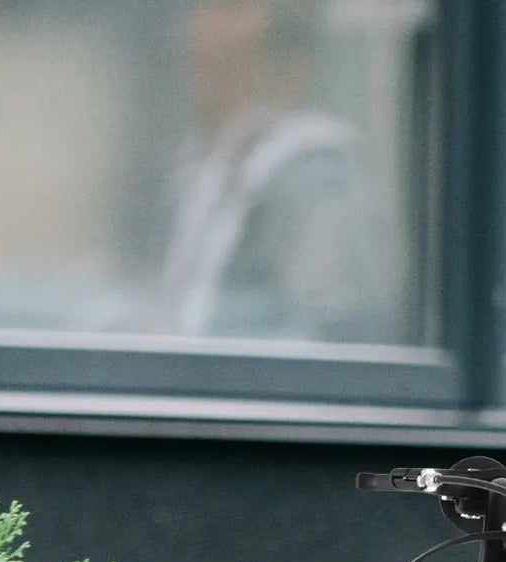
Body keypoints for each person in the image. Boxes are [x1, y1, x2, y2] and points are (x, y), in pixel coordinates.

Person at [155, 0, 400, 344]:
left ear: (290, 68)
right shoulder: (210, 172)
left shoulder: (318, 182)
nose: (200, 29)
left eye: (226, 70)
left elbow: (332, 341)